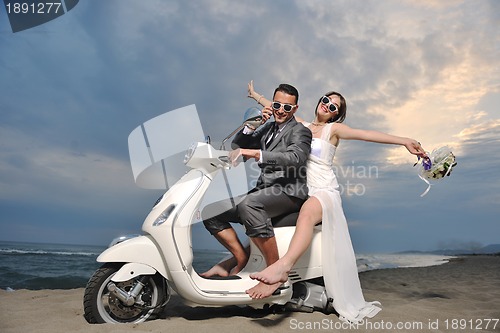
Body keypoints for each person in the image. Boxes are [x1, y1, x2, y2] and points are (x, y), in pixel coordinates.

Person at [246, 80, 428, 322]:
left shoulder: (334, 131)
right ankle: (239, 267)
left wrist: (404, 140)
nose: (327, 106)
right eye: (326, 101)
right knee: (264, 212)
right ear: (318, 101)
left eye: (334, 107)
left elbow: (368, 135)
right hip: (303, 190)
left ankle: (283, 269)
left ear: (336, 116)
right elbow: (279, 106)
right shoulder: (298, 125)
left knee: (307, 214)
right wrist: (256, 96)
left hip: (324, 192)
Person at [201, 83, 312, 299]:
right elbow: (237, 144)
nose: (281, 110)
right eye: (277, 105)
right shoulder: (268, 127)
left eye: (287, 107)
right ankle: (240, 258)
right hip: (264, 190)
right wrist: (252, 126)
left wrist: (256, 154)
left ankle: (275, 273)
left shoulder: (300, 131)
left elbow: (295, 159)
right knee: (211, 211)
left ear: (295, 109)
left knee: (249, 204)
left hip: (289, 192)